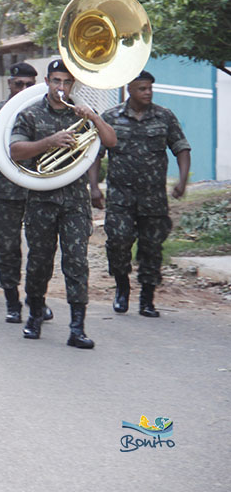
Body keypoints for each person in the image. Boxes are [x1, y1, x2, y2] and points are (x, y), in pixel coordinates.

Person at [10, 59, 117, 349]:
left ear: (73, 85)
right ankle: (34, 315)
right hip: (41, 200)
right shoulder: (30, 114)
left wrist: (94, 118)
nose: (61, 87)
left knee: (77, 263)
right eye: (56, 81)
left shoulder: (82, 114)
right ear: (47, 82)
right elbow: (15, 151)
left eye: (66, 82)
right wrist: (49, 142)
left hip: (74, 201)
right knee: (39, 262)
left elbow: (111, 140)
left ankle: (77, 328)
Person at [89, 70, 191, 318]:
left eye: (150, 89)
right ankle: (122, 287)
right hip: (120, 197)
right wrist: (93, 187)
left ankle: (147, 298)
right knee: (118, 242)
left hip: (153, 198)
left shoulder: (164, 116)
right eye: (142, 89)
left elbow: (181, 148)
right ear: (129, 90)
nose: (148, 93)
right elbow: (95, 153)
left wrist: (183, 180)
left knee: (152, 247)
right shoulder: (110, 117)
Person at [0, 62, 38, 323]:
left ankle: (37, 300)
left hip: (38, 189)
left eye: (29, 85)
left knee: (40, 250)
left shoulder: (45, 111)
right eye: (19, 84)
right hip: (3, 190)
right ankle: (13, 300)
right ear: (9, 84)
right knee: (8, 247)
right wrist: (4, 132)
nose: (23, 89)